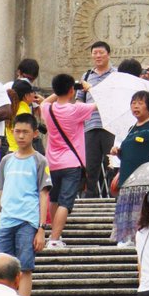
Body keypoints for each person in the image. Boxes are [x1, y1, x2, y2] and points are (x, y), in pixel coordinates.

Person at [0, 111, 51, 293]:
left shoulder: (39, 160)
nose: (21, 136)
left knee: (25, 267)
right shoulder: (7, 160)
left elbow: (43, 194)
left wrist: (41, 229)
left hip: (27, 221)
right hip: (6, 220)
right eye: (17, 131)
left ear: (35, 133)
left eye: (26, 132)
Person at [41, 74, 93, 251]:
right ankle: (55, 239)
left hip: (52, 162)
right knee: (65, 202)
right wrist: (89, 88)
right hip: (72, 162)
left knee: (54, 199)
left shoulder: (47, 109)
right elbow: (101, 104)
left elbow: (46, 101)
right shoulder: (76, 109)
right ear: (72, 90)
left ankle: (55, 234)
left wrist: (60, 91)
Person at [117, 92, 149, 187]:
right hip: (127, 178)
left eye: (140, 103)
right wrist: (118, 152)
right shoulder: (131, 129)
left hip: (148, 179)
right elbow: (130, 153)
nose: (136, 106)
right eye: (133, 103)